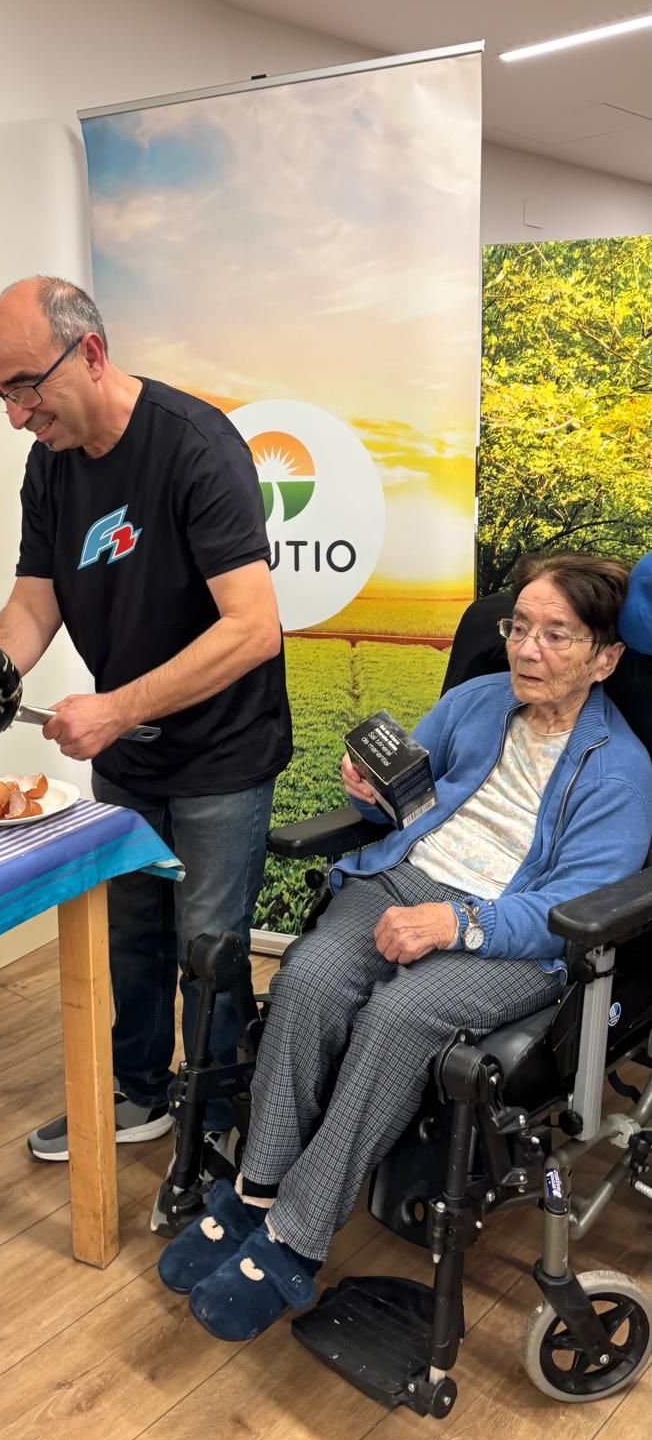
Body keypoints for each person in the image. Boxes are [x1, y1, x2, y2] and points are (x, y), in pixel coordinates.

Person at [157, 552, 652, 1341]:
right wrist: (375, 795)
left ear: (606, 656)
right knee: (309, 976)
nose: (527, 650)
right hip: (401, 884)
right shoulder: (477, 700)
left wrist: (458, 925)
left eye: (557, 636)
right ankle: (257, 1188)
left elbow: (570, 904)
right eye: (519, 628)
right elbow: (413, 800)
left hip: (507, 934)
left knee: (400, 1016)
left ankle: (296, 1236)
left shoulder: (620, 770)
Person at [0, 276, 292, 1176]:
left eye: (26, 387)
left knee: (210, 943)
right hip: (131, 754)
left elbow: (252, 628)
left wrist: (113, 708)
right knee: (136, 932)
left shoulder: (196, 447)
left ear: (93, 353)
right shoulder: (50, 464)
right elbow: (32, 604)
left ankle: (224, 1112)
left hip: (224, 751)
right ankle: (142, 1095)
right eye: (1, 394)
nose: (15, 415)